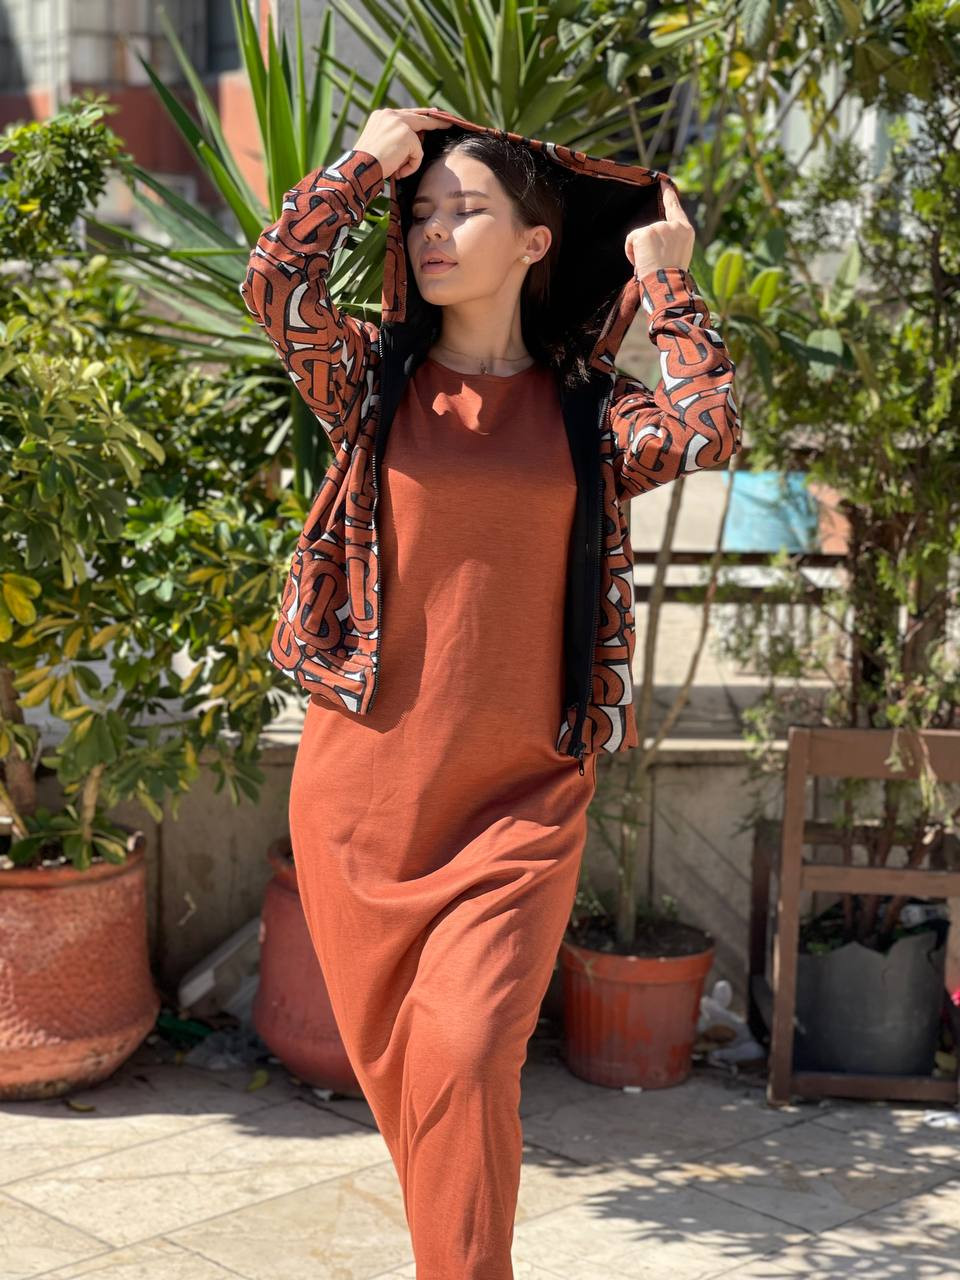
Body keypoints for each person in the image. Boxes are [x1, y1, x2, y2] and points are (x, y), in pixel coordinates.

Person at [240, 105, 741, 1279]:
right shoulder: (372, 380)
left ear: (534, 241)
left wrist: (667, 281)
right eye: (420, 212)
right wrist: (368, 162)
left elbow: (707, 427)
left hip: (520, 802)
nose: (432, 229)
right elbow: (276, 284)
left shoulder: (589, 412)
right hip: (365, 801)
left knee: (465, 1055)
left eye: (465, 210)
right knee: (421, 1087)